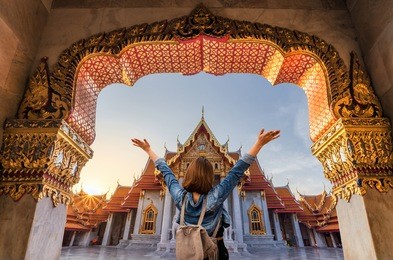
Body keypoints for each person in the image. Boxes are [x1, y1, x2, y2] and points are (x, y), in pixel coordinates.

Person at [132, 128, 280, 259]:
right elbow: (237, 170)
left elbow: (166, 171)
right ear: (210, 176)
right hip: (214, 251)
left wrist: (148, 150)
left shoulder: (180, 197)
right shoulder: (216, 196)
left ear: (188, 175)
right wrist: (259, 144)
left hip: (188, 252)